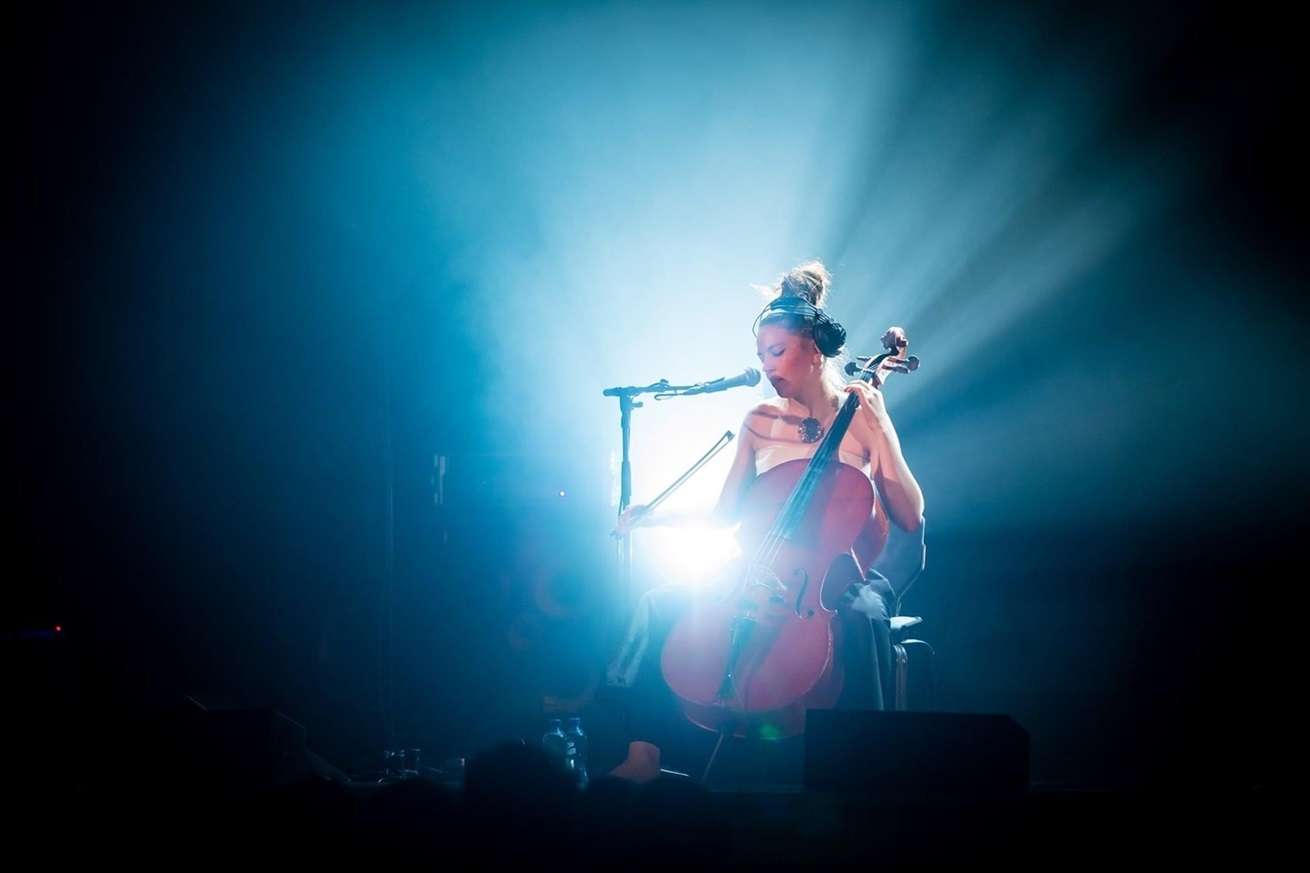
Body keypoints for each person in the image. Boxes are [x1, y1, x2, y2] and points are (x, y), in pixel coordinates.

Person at [606, 261, 926, 783]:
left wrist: (881, 422)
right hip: (761, 567)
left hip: (839, 573)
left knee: (862, 618)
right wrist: (655, 516)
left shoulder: (861, 413)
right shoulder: (758, 421)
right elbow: (727, 514)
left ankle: (860, 771)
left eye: (776, 352)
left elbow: (910, 516)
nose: (767, 366)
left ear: (815, 350)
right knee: (663, 604)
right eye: (760, 355)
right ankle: (646, 753)